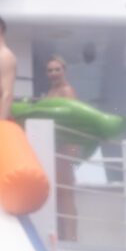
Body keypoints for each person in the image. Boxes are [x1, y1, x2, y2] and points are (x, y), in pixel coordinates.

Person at [45, 55, 79, 241]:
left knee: (66, 192)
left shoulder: (67, 90)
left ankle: (71, 237)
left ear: (64, 71)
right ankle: (64, 235)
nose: (53, 73)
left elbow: (73, 118)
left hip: (66, 145)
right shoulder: (51, 92)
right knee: (58, 192)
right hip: (55, 146)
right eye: (50, 70)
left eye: (57, 69)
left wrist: (71, 148)